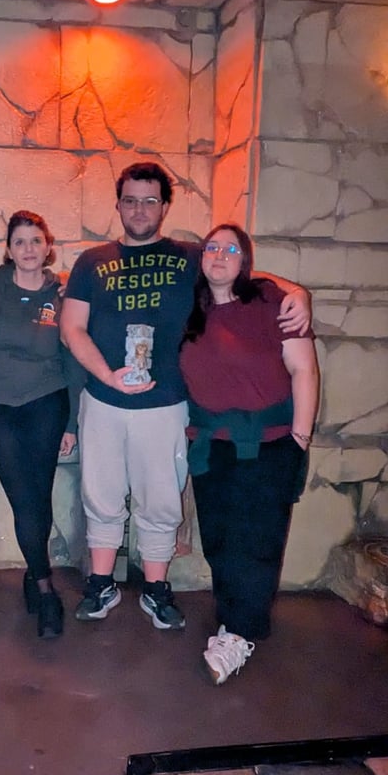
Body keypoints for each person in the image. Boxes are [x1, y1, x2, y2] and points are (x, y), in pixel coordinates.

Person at [60, 161, 311, 630]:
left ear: (164, 207)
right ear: (118, 205)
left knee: (160, 501)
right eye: (130, 200)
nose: (139, 209)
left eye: (149, 200)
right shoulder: (91, 262)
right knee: (100, 495)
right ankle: (101, 583)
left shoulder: (191, 256)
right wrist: (108, 376)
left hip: (167, 403)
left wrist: (298, 291)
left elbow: (242, 271)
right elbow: (71, 328)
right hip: (103, 398)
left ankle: (156, 588)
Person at [179, 224, 319, 683]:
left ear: (246, 260)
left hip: (268, 444)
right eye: (212, 247)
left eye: (231, 249)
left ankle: (239, 633)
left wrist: (299, 439)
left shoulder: (271, 302)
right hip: (211, 446)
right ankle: (233, 617)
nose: (219, 255)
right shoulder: (192, 308)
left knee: (257, 542)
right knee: (221, 539)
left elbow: (303, 370)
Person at [0, 210, 84, 638]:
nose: (28, 249)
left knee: (38, 494)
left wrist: (71, 422)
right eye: (19, 241)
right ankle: (44, 586)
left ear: (48, 246)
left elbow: (72, 361)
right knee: (24, 497)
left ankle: (36, 578)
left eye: (36, 240)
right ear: (8, 249)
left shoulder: (63, 295)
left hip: (46, 402)